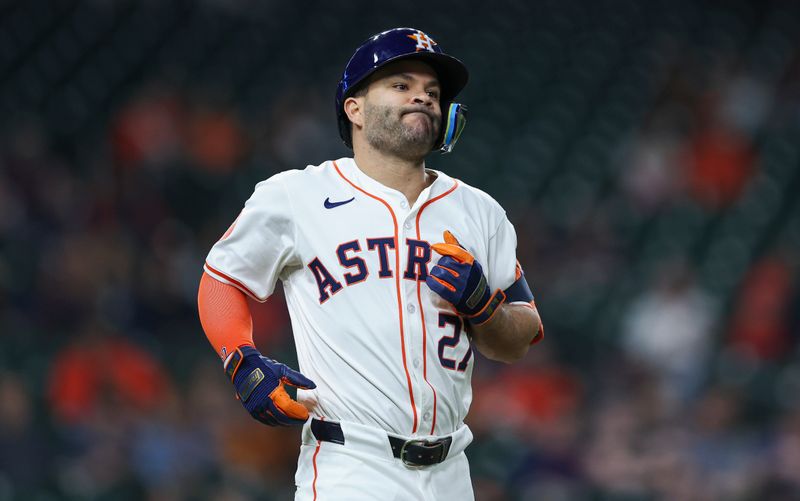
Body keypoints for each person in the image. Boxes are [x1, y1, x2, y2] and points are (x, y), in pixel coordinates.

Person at [197, 27, 543, 500]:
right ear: (354, 109)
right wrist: (241, 358)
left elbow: (519, 337)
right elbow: (222, 280)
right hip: (350, 466)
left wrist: (485, 307)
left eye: (433, 93)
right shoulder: (297, 196)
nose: (422, 97)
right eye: (401, 85)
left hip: (451, 473)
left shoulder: (480, 211)